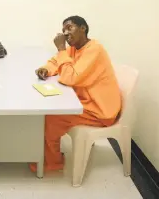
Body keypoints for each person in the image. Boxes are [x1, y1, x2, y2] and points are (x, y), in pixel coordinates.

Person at [30, 15, 122, 173]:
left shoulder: (94, 49)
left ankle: (53, 162)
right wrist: (46, 69)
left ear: (83, 28)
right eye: (63, 30)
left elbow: (70, 77)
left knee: (52, 117)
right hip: (86, 102)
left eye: (69, 28)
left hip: (100, 110)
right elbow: (55, 62)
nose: (65, 33)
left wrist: (60, 49)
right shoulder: (74, 49)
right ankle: (50, 155)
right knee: (52, 109)